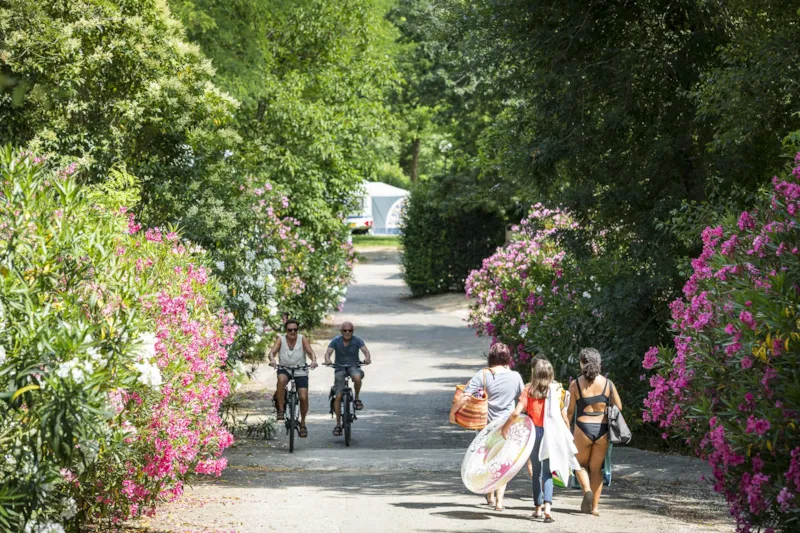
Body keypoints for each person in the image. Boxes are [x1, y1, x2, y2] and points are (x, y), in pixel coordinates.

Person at [503, 358, 580, 523]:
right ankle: (548, 508)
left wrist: (505, 428)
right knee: (548, 472)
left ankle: (537, 508)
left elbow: (516, 413)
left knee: (536, 473)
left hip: (535, 434)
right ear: (551, 374)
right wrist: (568, 432)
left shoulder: (528, 390)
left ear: (534, 373)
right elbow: (562, 414)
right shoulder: (556, 391)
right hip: (551, 433)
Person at [449, 343, 523, 511]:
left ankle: (489, 493)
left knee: (487, 459)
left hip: (486, 427)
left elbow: (464, 397)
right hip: (507, 426)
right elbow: (522, 399)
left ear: (491, 357)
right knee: (502, 460)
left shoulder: (482, 375)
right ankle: (499, 501)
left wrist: (452, 413)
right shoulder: (516, 376)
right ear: (507, 358)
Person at [566, 347, 623, 516]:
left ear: (582, 363)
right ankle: (595, 508)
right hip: (603, 429)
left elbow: (569, 411)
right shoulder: (608, 384)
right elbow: (618, 407)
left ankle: (586, 490)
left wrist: (565, 430)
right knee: (596, 469)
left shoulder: (575, 384)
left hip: (582, 428)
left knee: (579, 465)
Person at [268, 319, 318, 438]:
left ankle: (303, 423)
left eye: (295, 329)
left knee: (303, 396)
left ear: (297, 330)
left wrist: (314, 361)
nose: (293, 332)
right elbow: (272, 352)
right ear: (286, 330)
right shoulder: (281, 339)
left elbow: (310, 352)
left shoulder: (302, 338)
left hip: (300, 369)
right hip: (285, 368)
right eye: (290, 330)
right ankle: (281, 410)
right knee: (281, 380)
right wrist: (273, 360)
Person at [324, 321, 371, 437]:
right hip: (339, 368)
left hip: (353, 366)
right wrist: (328, 359)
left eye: (350, 330)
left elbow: (365, 351)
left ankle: (357, 399)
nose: (347, 332)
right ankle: (338, 425)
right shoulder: (336, 340)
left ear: (352, 331)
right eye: (345, 330)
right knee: (338, 396)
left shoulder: (357, 340)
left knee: (357, 377)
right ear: (341, 331)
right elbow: (328, 352)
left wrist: (367, 358)